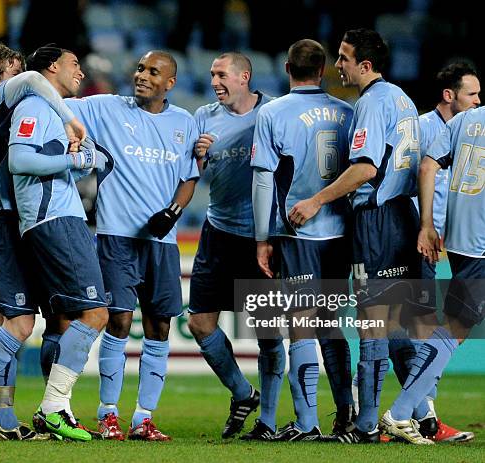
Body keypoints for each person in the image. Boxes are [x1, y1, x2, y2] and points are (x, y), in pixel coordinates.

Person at [289, 29, 426, 444]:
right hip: (403, 212)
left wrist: (315, 200)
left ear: (365, 66)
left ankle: (366, 425)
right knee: (398, 326)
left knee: (372, 326)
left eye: (345, 58)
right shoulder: (403, 98)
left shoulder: (371, 102)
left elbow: (365, 168)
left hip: (377, 219)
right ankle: (417, 416)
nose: (339, 65)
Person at [0, 43, 86, 441]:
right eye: (14, 69)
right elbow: (30, 80)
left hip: (17, 223)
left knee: (9, 325)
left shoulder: (5, 113)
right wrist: (71, 119)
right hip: (0, 224)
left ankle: (5, 418)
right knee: (20, 323)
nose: (27, 78)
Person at [64, 50, 199, 441]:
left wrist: (173, 211)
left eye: (153, 72)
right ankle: (108, 414)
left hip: (162, 240)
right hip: (116, 237)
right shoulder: (106, 108)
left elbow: (189, 178)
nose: (142, 75)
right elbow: (58, 103)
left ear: (169, 83)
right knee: (119, 322)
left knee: (159, 327)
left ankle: (143, 418)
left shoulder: (184, 123)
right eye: (140, 68)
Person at [251, 39, 355, 441]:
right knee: (330, 324)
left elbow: (263, 179)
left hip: (297, 232)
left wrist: (263, 237)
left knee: (301, 325)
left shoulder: (273, 112)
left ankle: (307, 421)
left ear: (286, 67)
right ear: (324, 69)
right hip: (341, 233)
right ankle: (345, 412)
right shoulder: (348, 112)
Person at [7, 44, 109, 442]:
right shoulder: (34, 107)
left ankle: (58, 410)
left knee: (64, 319)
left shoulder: (52, 111)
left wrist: (79, 158)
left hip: (55, 218)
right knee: (95, 314)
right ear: (53, 67)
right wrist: (75, 162)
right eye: (74, 65)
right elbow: (20, 160)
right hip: (55, 222)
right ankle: (52, 407)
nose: (80, 73)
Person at [185, 51, 281, 441]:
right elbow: (200, 176)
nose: (214, 82)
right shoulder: (203, 117)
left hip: (263, 237)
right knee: (199, 322)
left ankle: (269, 422)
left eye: (222, 75)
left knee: (268, 334)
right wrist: (199, 158)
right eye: (211, 75)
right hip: (218, 231)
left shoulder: (274, 113)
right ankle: (243, 393)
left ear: (245, 76)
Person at [380, 105, 485, 444]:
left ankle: (414, 412)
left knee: (457, 327)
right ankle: (400, 413)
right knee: (453, 328)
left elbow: (428, 165)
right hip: (481, 242)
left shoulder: (466, 120)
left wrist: (427, 223)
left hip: (458, 237)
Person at [405, 62, 479, 442]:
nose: (478, 101)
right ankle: (414, 420)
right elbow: (407, 178)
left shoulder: (472, 129)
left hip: (447, 242)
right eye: (473, 94)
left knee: (430, 329)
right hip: (418, 239)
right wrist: (424, 226)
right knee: (412, 328)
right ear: (450, 95)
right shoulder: (421, 128)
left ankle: (419, 419)